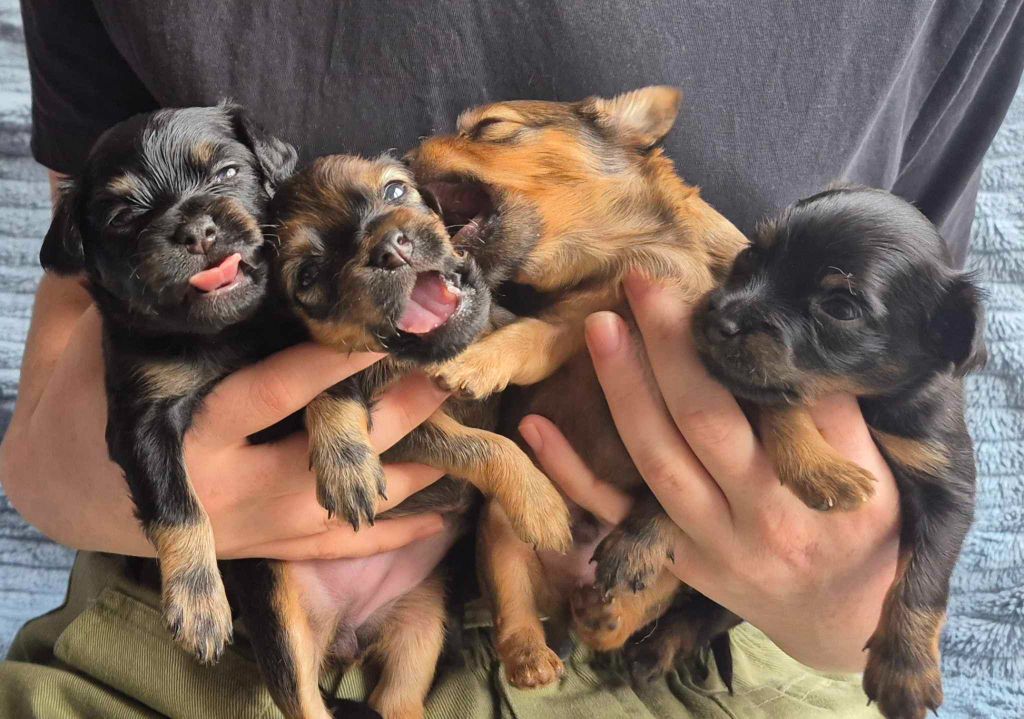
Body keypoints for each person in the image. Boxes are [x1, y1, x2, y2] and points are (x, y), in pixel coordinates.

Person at [0, 1, 1021, 717]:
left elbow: (905, 336)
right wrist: (77, 483)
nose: (431, 176)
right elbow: (83, 307)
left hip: (717, 648)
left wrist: (858, 606)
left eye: (476, 139)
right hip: (202, 635)